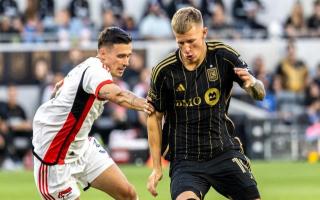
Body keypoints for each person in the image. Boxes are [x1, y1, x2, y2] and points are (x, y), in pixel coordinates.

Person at [146, 7, 265, 200]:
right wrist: (156, 168)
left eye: (191, 41)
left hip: (222, 150)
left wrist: (253, 85)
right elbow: (153, 117)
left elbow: (260, 93)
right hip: (185, 159)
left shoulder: (224, 56)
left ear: (204, 33)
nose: (186, 49)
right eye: (180, 42)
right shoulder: (164, 71)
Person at [32, 27, 153, 200]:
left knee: (128, 194)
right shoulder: (96, 71)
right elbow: (117, 95)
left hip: (81, 146)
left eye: (128, 56)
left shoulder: (89, 66)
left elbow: (63, 89)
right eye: (121, 56)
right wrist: (148, 105)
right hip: (54, 156)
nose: (126, 62)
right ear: (103, 54)